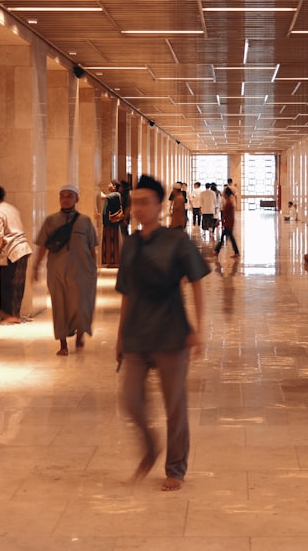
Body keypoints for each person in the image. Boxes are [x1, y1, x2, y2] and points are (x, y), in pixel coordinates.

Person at [115, 175, 210, 492]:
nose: (138, 208)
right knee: (130, 399)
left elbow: (196, 281)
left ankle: (175, 468)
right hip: (137, 333)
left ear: (159, 206)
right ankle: (150, 446)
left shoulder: (176, 241)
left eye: (145, 202)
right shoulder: (129, 244)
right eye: (135, 202)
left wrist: (199, 327)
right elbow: (126, 292)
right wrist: (119, 335)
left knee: (174, 405)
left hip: (171, 333)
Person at [32, 185, 98, 356]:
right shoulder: (51, 221)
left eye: (70, 196)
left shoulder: (85, 221)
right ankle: (63, 344)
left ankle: (80, 334)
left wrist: (94, 269)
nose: (66, 199)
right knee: (60, 306)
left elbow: (92, 248)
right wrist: (36, 267)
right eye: (63, 196)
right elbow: (42, 247)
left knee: (81, 305)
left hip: (81, 271)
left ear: (77, 199)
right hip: (58, 271)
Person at [0, 186, 33, 325]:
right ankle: (14, 314)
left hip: (12, 250)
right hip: (22, 248)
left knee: (7, 285)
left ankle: (11, 316)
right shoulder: (10, 208)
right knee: (17, 285)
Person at [101, 180, 124, 267]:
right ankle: (110, 261)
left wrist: (94, 187)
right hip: (109, 223)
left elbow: (102, 197)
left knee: (112, 242)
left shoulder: (115, 194)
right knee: (109, 241)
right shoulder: (114, 195)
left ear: (114, 186)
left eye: (110, 184)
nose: (108, 185)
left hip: (112, 223)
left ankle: (113, 261)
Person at [214, 187, 240, 257]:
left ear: (226, 194)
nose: (223, 194)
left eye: (224, 193)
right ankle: (236, 252)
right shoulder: (229, 202)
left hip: (228, 223)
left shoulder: (228, 203)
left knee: (224, 238)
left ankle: (217, 251)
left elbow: (225, 214)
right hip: (229, 222)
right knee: (229, 238)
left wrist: (220, 221)